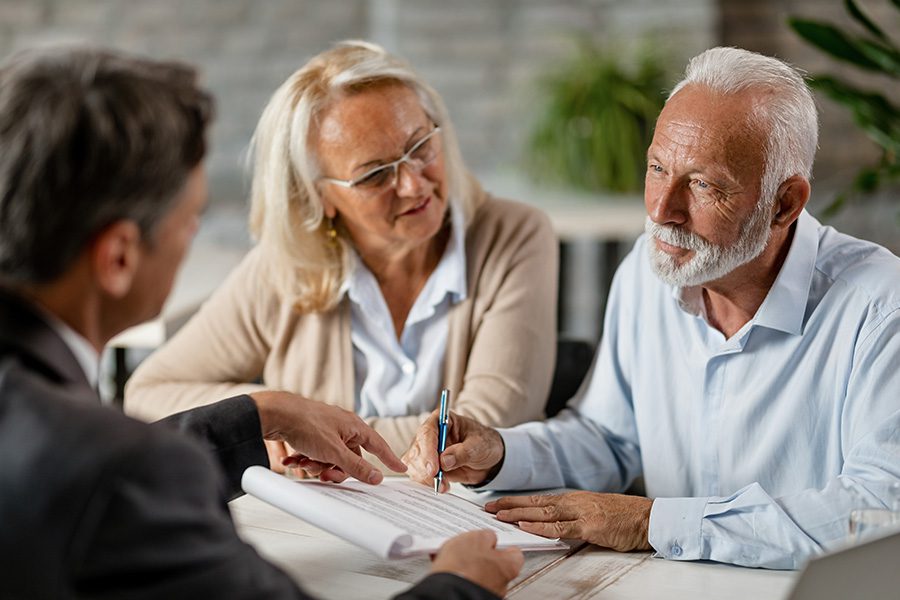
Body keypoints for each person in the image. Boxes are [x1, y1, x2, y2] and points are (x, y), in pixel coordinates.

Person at [0, 46, 523, 599]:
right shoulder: (130, 476)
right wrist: (463, 587)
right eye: (191, 220)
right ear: (119, 258)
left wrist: (260, 415)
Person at [403, 46, 900, 570]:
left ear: (784, 204)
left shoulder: (881, 308)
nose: (663, 210)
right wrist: (498, 453)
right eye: (658, 168)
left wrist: (649, 523)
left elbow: (880, 512)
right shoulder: (648, 268)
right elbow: (609, 439)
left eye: (704, 185)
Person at [123, 40, 558, 471]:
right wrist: (271, 415)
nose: (414, 184)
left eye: (421, 146)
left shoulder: (515, 235)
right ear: (319, 197)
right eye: (374, 174)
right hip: (322, 527)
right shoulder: (286, 266)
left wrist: (314, 434)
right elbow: (148, 393)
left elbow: (487, 432)